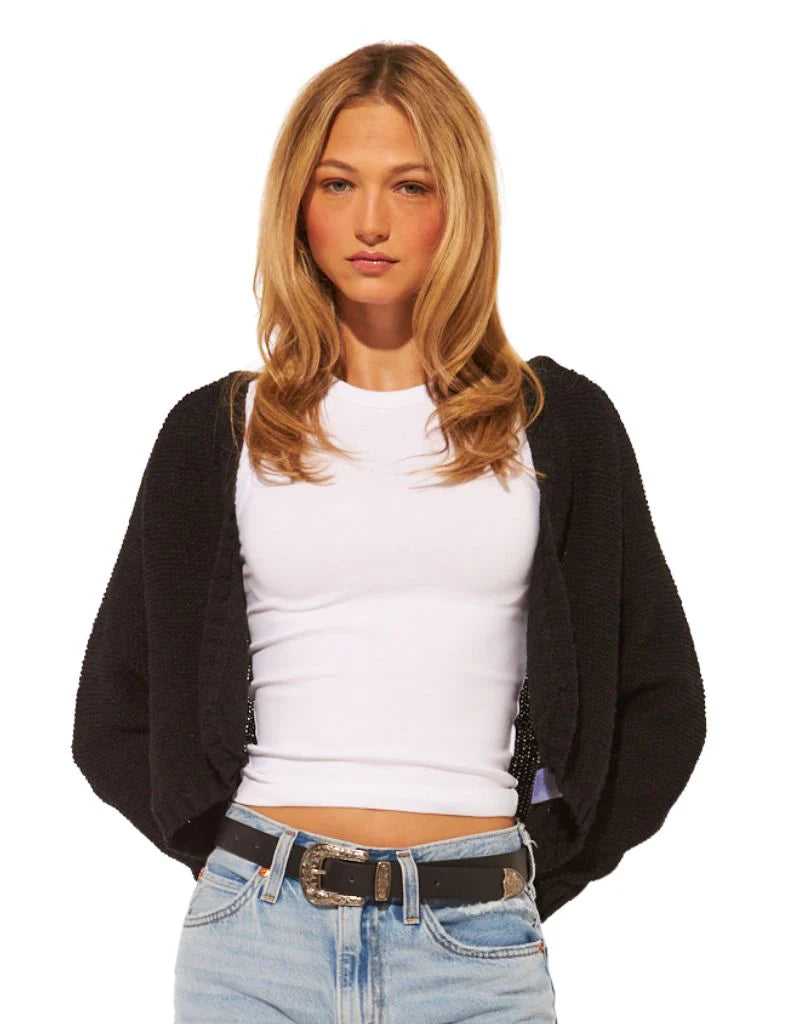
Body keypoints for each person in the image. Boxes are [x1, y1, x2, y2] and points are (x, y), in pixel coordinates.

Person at [71, 41, 706, 1024]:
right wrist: (234, 862)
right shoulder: (218, 432)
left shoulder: (558, 425)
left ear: (460, 205)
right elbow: (113, 706)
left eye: (410, 186)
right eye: (338, 183)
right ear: (299, 204)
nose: (371, 221)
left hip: (476, 946)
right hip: (254, 945)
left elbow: (661, 702)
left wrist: (523, 873)